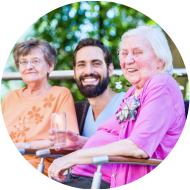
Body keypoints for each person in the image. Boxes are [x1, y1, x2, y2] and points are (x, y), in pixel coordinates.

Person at [48, 25, 186, 189]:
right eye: (124, 53)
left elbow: (138, 147)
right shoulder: (132, 93)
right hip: (86, 178)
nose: (128, 60)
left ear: (160, 61)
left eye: (137, 52)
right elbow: (120, 138)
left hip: (101, 180)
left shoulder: (161, 84)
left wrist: (74, 157)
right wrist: (81, 142)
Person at [1, 38, 79, 177]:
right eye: (23, 62)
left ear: (50, 65)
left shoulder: (59, 95)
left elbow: (67, 142)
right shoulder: (10, 98)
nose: (29, 66)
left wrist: (25, 146)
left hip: (39, 165)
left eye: (35, 61)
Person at [49, 38, 125, 150]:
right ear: (74, 72)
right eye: (81, 65)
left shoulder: (128, 104)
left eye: (96, 63)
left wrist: (85, 143)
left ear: (110, 69)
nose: (88, 71)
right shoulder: (77, 113)